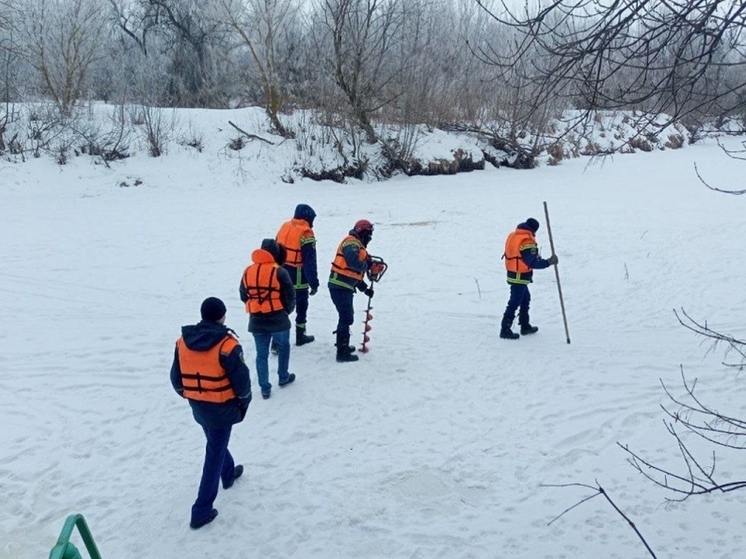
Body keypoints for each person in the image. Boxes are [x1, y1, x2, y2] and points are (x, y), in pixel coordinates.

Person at [170, 297, 252, 530]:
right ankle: (201, 510)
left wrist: (193, 396)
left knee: (216, 443)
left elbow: (176, 379)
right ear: (222, 316)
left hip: (199, 404)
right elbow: (242, 383)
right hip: (222, 407)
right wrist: (243, 403)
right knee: (213, 453)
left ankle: (228, 474)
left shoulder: (183, 342)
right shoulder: (228, 346)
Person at [239, 238, 297, 399]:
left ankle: (264, 387)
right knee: (284, 347)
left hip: (256, 320)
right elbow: (290, 295)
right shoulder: (279, 271)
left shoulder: (248, 271)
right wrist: (286, 311)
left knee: (261, 354)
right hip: (278, 318)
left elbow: (243, 295)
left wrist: (255, 307)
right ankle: (283, 376)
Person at [500, 217, 558, 339]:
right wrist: (548, 262)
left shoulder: (514, 235)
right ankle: (505, 329)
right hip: (519, 276)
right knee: (515, 301)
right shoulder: (526, 241)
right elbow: (532, 262)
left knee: (525, 298)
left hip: (512, 273)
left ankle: (525, 325)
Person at [328, 219, 376, 362]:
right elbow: (352, 263)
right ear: (362, 232)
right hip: (339, 286)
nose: (370, 238)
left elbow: (351, 274)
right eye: (369, 234)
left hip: (343, 285)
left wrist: (365, 288)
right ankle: (342, 352)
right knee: (346, 317)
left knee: (345, 316)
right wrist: (367, 265)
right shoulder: (351, 243)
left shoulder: (357, 244)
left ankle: (343, 345)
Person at [275, 204, 320, 346]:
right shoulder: (306, 233)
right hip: (298, 275)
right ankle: (300, 336)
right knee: (301, 305)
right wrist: (314, 283)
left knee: (282, 305)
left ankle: (276, 341)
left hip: (281, 272)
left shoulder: (284, 226)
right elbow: (309, 261)